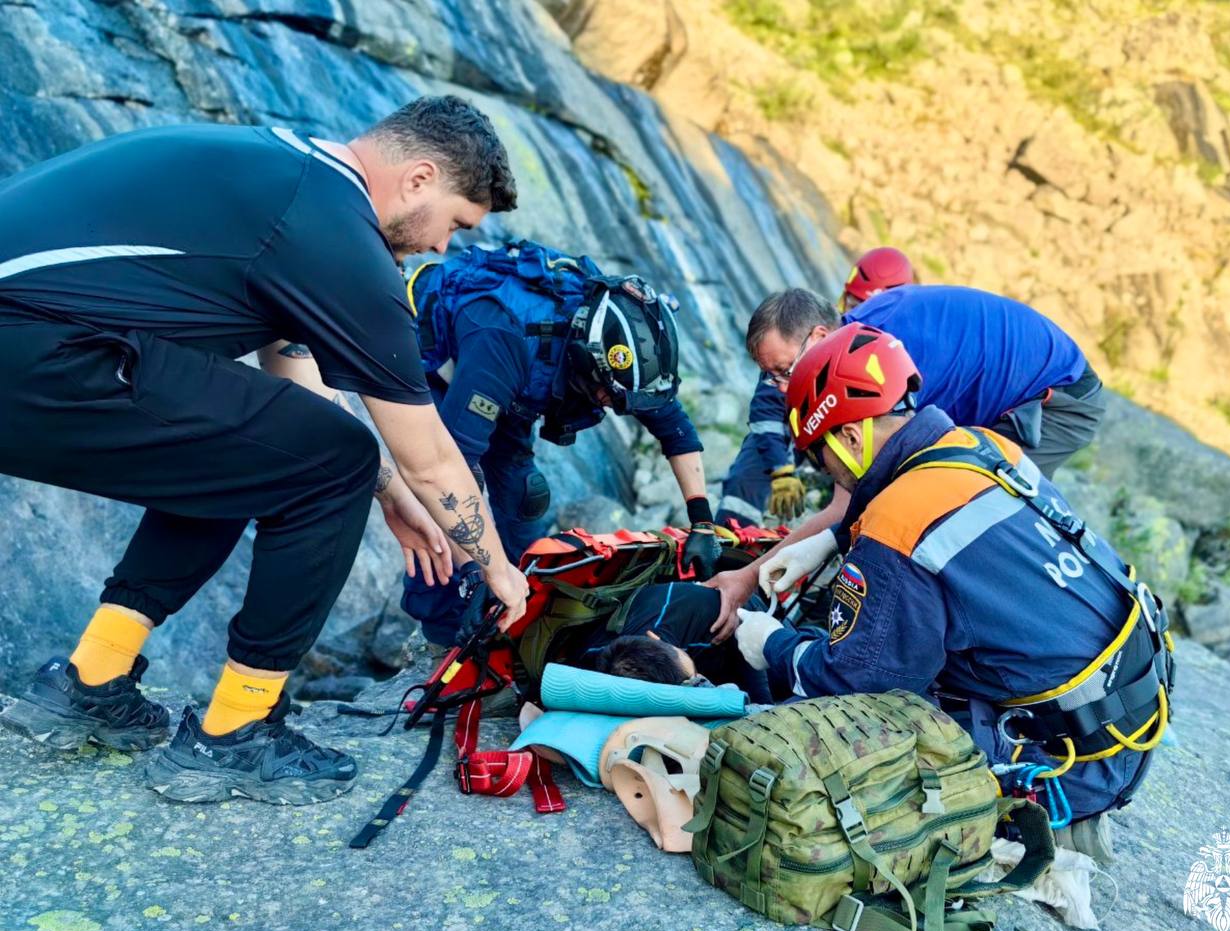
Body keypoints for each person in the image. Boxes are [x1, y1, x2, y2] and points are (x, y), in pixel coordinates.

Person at [0, 96, 529, 805]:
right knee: (330, 457)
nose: (442, 248)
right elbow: (430, 453)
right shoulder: (335, 234)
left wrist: (388, 492)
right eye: (456, 224)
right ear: (419, 178)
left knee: (253, 449)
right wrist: (501, 573)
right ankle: (237, 731)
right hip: (35, 348)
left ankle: (90, 679)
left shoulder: (289, 179)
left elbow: (291, 389)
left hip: (37, 345)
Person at [734, 322, 1172, 856]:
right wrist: (830, 539)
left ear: (849, 437)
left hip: (1068, 761)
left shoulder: (899, 521)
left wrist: (773, 645)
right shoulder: (983, 444)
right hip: (1128, 710)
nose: (822, 470)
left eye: (815, 455)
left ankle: (1037, 815)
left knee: (847, 716)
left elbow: (854, 683)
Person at [707, 283, 1107, 638]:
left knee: (957, 515)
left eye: (783, 372)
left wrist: (748, 576)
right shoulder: (854, 344)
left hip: (1054, 398)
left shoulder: (888, 362)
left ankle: (1004, 640)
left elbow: (851, 503)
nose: (781, 388)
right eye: (771, 378)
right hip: (997, 391)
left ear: (819, 336)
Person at [401, 240, 721, 642]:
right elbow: (446, 473)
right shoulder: (506, 339)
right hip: (439, 365)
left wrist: (703, 524)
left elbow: (674, 429)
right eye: (611, 397)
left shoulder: (622, 355)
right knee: (446, 505)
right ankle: (441, 632)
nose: (617, 408)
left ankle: (525, 602)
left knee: (522, 495)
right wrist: (476, 572)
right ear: (587, 362)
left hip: (514, 389)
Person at [716, 246, 916, 529]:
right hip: (807, 436)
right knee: (753, 465)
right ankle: (729, 540)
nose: (854, 309)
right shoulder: (792, 356)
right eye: (850, 299)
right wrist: (780, 469)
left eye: (860, 301)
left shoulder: (888, 346)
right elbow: (767, 413)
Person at [572, 582, 771, 702]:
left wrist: (764, 704)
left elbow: (750, 621)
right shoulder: (592, 662)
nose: (698, 676)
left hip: (748, 618)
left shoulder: (708, 612)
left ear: (656, 638)